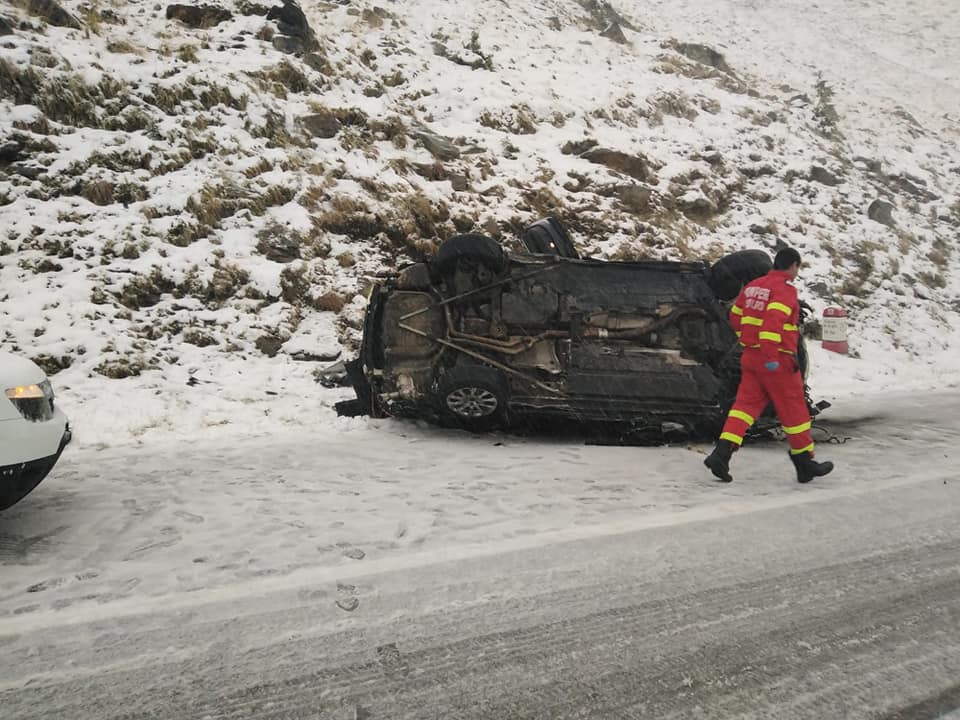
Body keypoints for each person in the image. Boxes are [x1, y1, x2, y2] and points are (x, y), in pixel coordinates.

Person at [704, 247, 835, 484]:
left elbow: (734, 315)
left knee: (744, 408)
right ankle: (804, 463)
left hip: (751, 359)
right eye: (797, 268)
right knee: (794, 411)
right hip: (777, 362)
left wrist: (748, 340)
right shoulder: (784, 290)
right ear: (793, 266)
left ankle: (721, 455)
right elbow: (772, 325)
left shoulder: (754, 287)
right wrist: (772, 356)